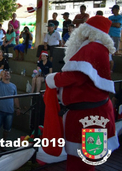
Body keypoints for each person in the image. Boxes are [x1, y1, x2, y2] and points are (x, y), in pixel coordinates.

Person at [44, 15, 119, 170]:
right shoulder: (100, 48)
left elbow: (75, 75)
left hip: (88, 117)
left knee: (81, 164)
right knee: (87, 161)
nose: (78, 30)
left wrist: (52, 79)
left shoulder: (92, 48)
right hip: (94, 114)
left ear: (89, 30)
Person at [0, 70, 20, 141]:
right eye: (5, 74)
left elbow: (15, 98)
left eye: (8, 74)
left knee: (7, 130)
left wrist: (17, 108)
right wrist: (0, 75)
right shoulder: (0, 84)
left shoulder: (13, 86)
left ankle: (3, 143)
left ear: (10, 76)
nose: (7, 74)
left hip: (9, 112)